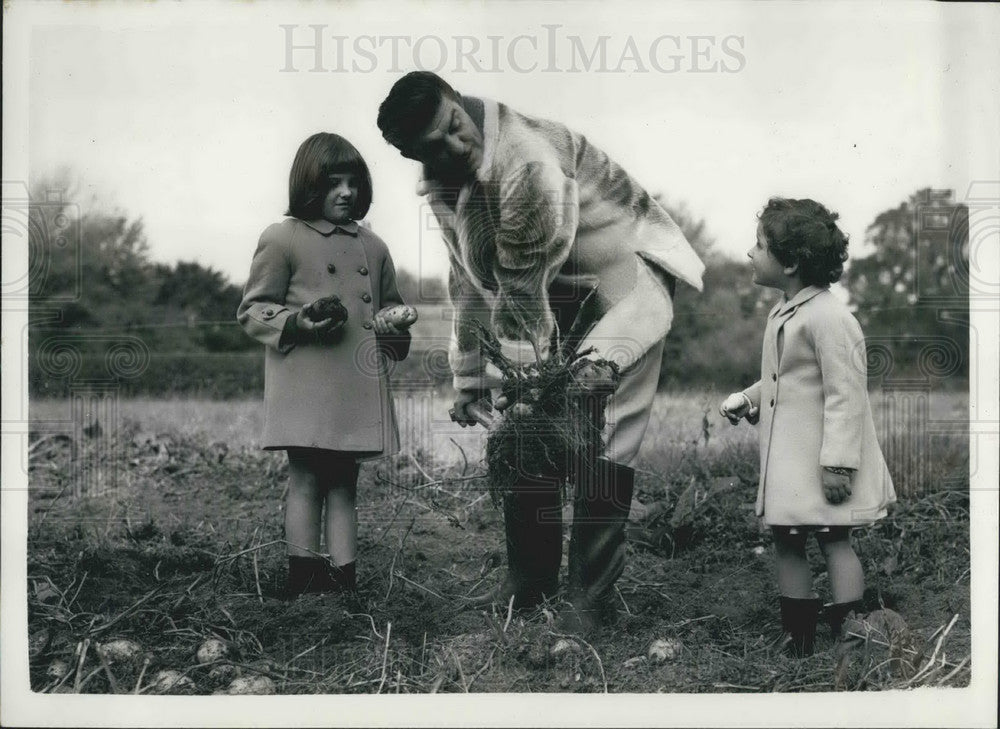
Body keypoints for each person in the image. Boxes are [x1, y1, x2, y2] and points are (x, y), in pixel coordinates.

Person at [376, 72, 705, 632]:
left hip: (621, 284)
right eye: (435, 146)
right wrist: (471, 378)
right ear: (414, 155)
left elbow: (522, 282)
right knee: (525, 430)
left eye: (455, 125)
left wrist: (520, 387)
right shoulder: (442, 185)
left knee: (598, 423)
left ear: (458, 100)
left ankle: (590, 600)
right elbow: (469, 280)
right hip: (558, 292)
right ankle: (529, 584)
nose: (456, 145)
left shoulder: (526, 159)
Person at [237, 132, 414, 597]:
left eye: (353, 182)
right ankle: (303, 580)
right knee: (306, 478)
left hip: (356, 385)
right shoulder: (282, 238)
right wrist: (297, 321)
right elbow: (253, 309)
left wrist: (396, 329)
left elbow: (390, 315)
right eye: (334, 183)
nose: (346, 192)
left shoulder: (374, 247)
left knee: (344, 482)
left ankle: (343, 582)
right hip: (306, 384)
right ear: (310, 184)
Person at [719, 197, 896, 657]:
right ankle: (798, 639)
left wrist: (838, 463)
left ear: (791, 262)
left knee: (835, 540)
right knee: (787, 540)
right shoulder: (786, 312)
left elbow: (846, 393)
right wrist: (749, 398)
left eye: (760, 246)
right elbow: (783, 378)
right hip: (792, 464)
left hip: (823, 463)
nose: (750, 253)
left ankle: (851, 635)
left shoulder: (830, 318)